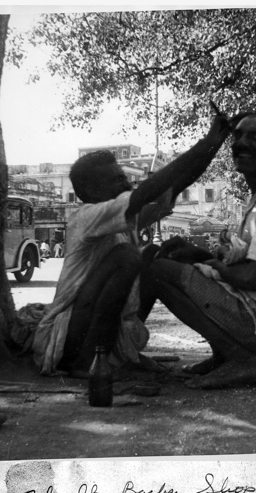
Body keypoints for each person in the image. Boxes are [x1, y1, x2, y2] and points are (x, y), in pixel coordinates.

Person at [32, 112, 231, 377]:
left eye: (124, 177)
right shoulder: (86, 216)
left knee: (154, 255)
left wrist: (214, 143)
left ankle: (120, 353)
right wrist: (205, 141)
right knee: (127, 256)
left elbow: (175, 183)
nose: (126, 183)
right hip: (67, 337)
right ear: (92, 191)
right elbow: (147, 191)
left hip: (97, 328)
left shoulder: (123, 219)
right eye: (117, 179)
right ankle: (87, 364)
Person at [140, 112, 256, 389]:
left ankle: (248, 359)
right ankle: (225, 354)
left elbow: (253, 277)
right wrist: (197, 254)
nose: (242, 143)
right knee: (169, 263)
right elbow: (248, 264)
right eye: (238, 136)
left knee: (160, 271)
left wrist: (217, 267)